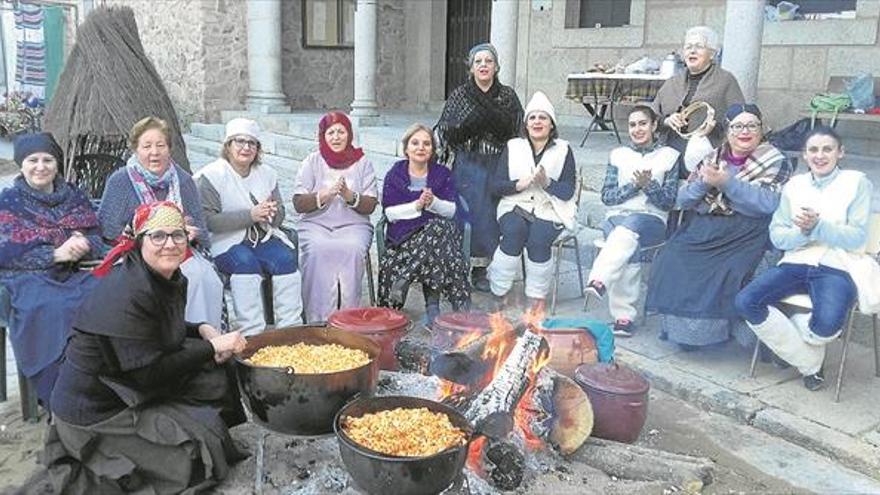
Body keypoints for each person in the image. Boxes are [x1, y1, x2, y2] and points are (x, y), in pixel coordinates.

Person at [45, 201, 248, 493]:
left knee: (215, 377)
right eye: (158, 236)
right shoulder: (127, 290)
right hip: (97, 411)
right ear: (140, 241)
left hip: (129, 382)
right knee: (199, 456)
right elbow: (148, 372)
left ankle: (199, 426)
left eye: (177, 235)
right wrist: (211, 345)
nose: (170, 244)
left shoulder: (166, 276)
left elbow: (158, 331)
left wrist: (200, 327)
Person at [735, 127, 876, 391]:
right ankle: (810, 363)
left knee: (825, 328)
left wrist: (818, 227)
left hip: (838, 264)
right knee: (746, 301)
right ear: (805, 154)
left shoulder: (857, 182)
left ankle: (796, 334)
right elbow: (778, 236)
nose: (820, 155)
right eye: (813, 150)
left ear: (840, 152)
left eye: (827, 149)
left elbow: (857, 238)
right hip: (796, 261)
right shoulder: (795, 185)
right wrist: (802, 232)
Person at [645, 103, 794, 350]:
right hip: (705, 226)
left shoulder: (774, 160)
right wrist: (704, 183)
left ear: (761, 129)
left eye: (751, 125)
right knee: (672, 256)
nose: (744, 131)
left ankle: (714, 335)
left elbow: (767, 203)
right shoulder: (712, 157)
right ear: (727, 130)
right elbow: (682, 200)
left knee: (724, 271)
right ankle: (684, 334)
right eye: (737, 126)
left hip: (747, 231)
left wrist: (726, 183)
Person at [0, 133, 102, 407]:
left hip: (76, 272)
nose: (40, 166)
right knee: (53, 308)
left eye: (48, 160)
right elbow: (5, 250)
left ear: (57, 165)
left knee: (104, 298)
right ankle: (60, 394)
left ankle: (97, 381)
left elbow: (96, 237)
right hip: (27, 278)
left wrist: (82, 243)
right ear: (21, 164)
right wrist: (55, 254)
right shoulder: (9, 201)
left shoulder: (73, 196)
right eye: (33, 160)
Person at [99, 116, 225, 330]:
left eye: (161, 145)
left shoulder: (184, 181)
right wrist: (135, 230)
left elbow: (202, 233)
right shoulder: (120, 181)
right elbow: (107, 229)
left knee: (205, 278)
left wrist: (191, 232)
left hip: (178, 249)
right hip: (135, 253)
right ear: (136, 150)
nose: (154, 153)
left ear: (169, 149)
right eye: (147, 146)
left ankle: (205, 339)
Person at [195, 118, 302, 334]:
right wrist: (251, 215)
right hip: (226, 240)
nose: (246, 147)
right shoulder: (212, 176)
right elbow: (209, 221)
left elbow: (279, 214)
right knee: (245, 263)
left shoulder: (267, 173)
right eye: (239, 142)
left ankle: (290, 330)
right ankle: (251, 332)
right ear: (228, 146)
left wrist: (272, 214)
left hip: (261, 237)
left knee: (285, 260)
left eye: (251, 143)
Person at [585, 106, 680, 337]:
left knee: (631, 226)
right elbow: (607, 197)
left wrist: (649, 186)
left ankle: (600, 279)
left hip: (652, 219)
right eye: (632, 125)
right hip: (616, 217)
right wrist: (634, 187)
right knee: (627, 238)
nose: (637, 129)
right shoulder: (618, 154)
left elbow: (668, 202)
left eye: (643, 123)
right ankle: (624, 318)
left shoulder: (669, 156)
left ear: (654, 125)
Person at [435, 42, 524, 292]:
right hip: (469, 163)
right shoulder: (460, 95)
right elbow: (448, 131)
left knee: (492, 213)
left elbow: (516, 129)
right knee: (470, 212)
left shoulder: (507, 96)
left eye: (488, 61)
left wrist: (491, 119)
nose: (483, 65)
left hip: (499, 163)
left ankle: (485, 268)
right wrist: (471, 123)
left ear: (496, 67)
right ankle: (459, 264)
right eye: (478, 62)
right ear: (471, 68)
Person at [488, 91, 577, 310]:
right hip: (515, 205)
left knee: (538, 238)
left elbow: (567, 191)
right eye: (532, 118)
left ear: (551, 124)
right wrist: (517, 184)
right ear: (526, 124)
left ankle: (536, 297)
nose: (537, 122)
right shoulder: (512, 147)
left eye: (543, 118)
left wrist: (547, 183)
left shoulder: (564, 149)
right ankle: (499, 290)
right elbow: (495, 185)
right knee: (514, 231)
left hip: (550, 208)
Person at [378, 124, 470, 323]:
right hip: (405, 239)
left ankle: (403, 278)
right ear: (406, 148)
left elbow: (454, 210)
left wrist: (433, 203)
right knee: (441, 241)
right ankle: (437, 309)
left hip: (439, 237)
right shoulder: (395, 174)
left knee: (439, 228)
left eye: (426, 143)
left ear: (432, 149)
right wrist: (417, 206)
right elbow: (390, 213)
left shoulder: (442, 174)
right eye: (415, 143)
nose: (421, 147)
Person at [293, 111, 378, 323]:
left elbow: (370, 205)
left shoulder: (363, 163)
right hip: (316, 225)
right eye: (331, 132)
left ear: (349, 134)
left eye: (341, 131)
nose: (336, 137)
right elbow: (298, 202)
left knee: (352, 249)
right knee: (317, 250)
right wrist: (326, 194)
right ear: (323, 136)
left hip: (353, 225)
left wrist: (349, 196)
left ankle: (347, 318)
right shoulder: (312, 161)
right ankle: (317, 319)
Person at [653, 26, 744, 171]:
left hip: (708, 147)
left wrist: (714, 127)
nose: (692, 51)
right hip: (671, 145)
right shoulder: (672, 82)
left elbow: (741, 118)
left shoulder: (725, 80)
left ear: (712, 53)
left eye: (699, 47)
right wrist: (667, 120)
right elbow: (651, 116)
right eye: (688, 47)